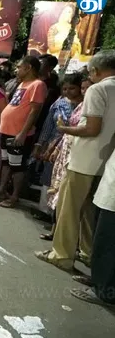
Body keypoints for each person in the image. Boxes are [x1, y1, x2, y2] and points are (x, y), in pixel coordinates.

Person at [35, 51, 115, 271]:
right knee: (90, 212)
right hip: (106, 161)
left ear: (95, 70)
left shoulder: (98, 89)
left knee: (68, 209)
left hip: (84, 159)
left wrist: (64, 128)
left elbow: (91, 128)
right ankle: (88, 253)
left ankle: (61, 255)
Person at [0, 56, 46, 208]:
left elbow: (35, 111)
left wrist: (22, 132)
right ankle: (1, 190)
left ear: (28, 68)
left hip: (19, 133)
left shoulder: (37, 84)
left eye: (19, 67)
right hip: (7, 129)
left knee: (17, 165)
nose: (16, 70)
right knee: (6, 162)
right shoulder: (22, 83)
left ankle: (14, 196)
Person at [41, 78, 92, 242]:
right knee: (58, 191)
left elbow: (74, 129)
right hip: (64, 149)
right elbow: (64, 130)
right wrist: (56, 147)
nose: (84, 91)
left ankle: (68, 238)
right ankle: (55, 230)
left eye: (86, 88)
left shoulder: (91, 107)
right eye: (83, 88)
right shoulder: (77, 105)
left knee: (68, 196)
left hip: (77, 154)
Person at [70, 145, 115, 306]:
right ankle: (98, 279)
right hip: (110, 182)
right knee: (100, 237)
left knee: (108, 240)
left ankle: (105, 292)